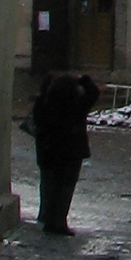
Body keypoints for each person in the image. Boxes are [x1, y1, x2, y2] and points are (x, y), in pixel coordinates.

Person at [33, 69, 99, 235]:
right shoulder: (76, 105)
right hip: (71, 153)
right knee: (65, 188)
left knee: (49, 186)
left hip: (49, 151)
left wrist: (49, 80)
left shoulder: (45, 104)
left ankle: (48, 218)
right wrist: (82, 80)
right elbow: (93, 93)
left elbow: (37, 121)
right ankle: (59, 221)